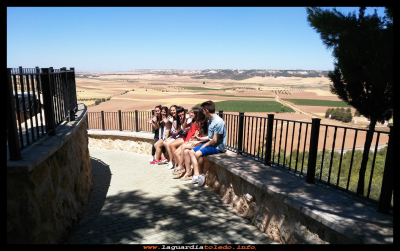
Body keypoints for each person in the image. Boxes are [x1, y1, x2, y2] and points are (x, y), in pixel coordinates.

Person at [186, 100, 226, 187]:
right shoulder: (211, 120)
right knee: (191, 152)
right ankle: (196, 175)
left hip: (218, 147)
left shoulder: (219, 122)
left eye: (203, 110)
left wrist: (204, 145)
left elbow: (215, 140)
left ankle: (201, 174)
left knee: (198, 153)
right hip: (211, 144)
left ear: (206, 110)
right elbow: (210, 137)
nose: (203, 112)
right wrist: (200, 139)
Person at [173, 107, 208, 181]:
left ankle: (181, 167)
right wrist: (185, 119)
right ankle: (187, 172)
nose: (191, 114)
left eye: (192, 113)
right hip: (192, 140)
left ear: (197, 114)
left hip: (199, 142)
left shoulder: (199, 123)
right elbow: (184, 127)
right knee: (185, 151)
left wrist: (191, 141)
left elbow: (197, 136)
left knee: (183, 147)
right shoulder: (193, 121)